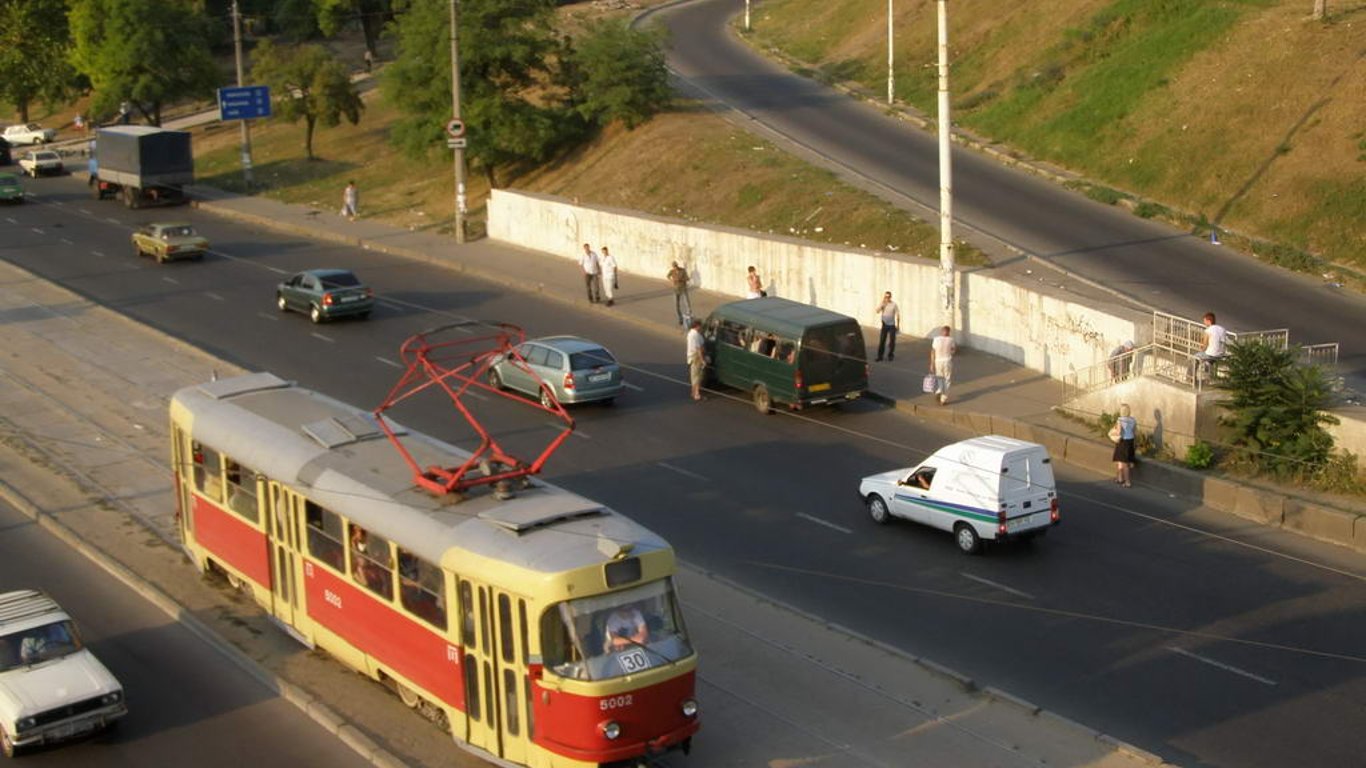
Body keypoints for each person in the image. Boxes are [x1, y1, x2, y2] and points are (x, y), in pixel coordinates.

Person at [1193, 312, 1227, 382]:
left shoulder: (1208, 330)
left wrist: (1201, 351)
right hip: (1221, 354)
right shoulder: (1222, 329)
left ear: (1209, 321)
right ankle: (1209, 378)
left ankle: (1190, 378)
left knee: (1194, 358)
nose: (1204, 323)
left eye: (1205, 321)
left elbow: (1205, 345)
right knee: (1208, 361)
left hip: (1211, 354)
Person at [1112, 403, 1138, 487]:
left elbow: (1119, 432)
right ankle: (1120, 478)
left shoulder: (1120, 420)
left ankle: (1127, 482)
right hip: (1130, 441)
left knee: (1123, 462)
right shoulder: (1133, 420)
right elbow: (1134, 432)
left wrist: (1114, 432)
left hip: (1122, 442)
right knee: (1122, 461)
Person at [929, 325, 956, 405]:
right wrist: (950, 352)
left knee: (940, 378)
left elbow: (933, 352)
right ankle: (943, 399)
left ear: (941, 331)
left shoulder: (936, 339)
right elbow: (953, 351)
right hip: (947, 361)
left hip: (938, 361)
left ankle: (939, 391)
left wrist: (932, 363)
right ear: (949, 332)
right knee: (947, 380)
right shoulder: (951, 340)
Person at [875, 291, 900, 362]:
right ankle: (880, 356)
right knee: (882, 341)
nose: (887, 298)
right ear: (884, 297)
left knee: (892, 341)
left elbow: (898, 315)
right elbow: (877, 311)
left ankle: (890, 355)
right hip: (884, 325)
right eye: (886, 297)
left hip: (892, 325)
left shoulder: (894, 305)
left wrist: (898, 326)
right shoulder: (883, 304)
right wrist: (882, 304)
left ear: (890, 297)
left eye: (888, 297)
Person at [686, 319, 705, 401]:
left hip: (693, 356)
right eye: (700, 326)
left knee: (694, 375)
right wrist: (702, 360)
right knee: (697, 376)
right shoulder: (695, 335)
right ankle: (696, 394)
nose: (701, 327)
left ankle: (693, 392)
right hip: (696, 357)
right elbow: (698, 348)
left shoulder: (691, 333)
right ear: (697, 326)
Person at [667, 261, 692, 325]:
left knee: (687, 303)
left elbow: (687, 278)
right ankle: (680, 318)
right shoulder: (672, 271)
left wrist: (681, 280)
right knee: (676, 305)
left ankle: (689, 317)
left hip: (683, 288)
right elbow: (667, 276)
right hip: (676, 289)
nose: (675, 267)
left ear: (677, 265)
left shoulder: (682, 270)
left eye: (676, 266)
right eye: (674, 266)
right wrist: (671, 281)